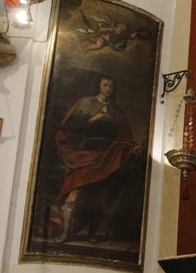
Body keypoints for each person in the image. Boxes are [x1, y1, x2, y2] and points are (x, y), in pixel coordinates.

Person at [49, 75, 142, 244]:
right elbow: (70, 127)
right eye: (105, 85)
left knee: (101, 194)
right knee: (76, 189)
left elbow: (124, 136)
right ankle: (64, 231)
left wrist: (132, 147)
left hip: (107, 155)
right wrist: (95, 119)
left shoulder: (116, 110)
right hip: (85, 152)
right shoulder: (86, 103)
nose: (108, 89)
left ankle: (92, 232)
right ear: (99, 86)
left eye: (111, 87)